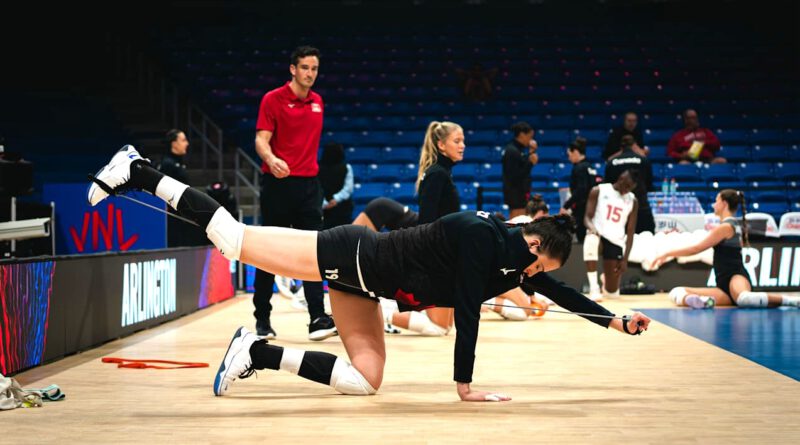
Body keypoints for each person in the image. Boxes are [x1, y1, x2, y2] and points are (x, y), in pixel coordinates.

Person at [87, 145, 651, 401]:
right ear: (533, 242)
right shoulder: (486, 238)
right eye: (538, 260)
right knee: (233, 240)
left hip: (365, 282)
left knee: (366, 381)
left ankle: (255, 353)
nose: (535, 271)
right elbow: (467, 314)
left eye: (539, 267)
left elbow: (556, 290)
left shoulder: (513, 256)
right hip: (350, 253)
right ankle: (138, 170)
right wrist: (465, 386)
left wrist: (614, 321)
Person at [252, 45, 335, 341]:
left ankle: (317, 318)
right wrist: (271, 159)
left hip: (309, 187)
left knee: (312, 253)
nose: (310, 74)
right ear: (292, 69)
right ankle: (262, 318)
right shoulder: (272, 100)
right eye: (305, 68)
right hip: (278, 185)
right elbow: (262, 139)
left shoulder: (318, 102)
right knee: (269, 253)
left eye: (314, 69)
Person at [653, 190, 800, 309]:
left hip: (736, 277)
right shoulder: (735, 225)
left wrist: (667, 253)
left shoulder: (725, 227)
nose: (713, 204)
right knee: (677, 291)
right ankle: (703, 301)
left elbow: (696, 249)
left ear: (724, 203)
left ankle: (791, 300)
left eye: (716, 200)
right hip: (722, 284)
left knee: (744, 299)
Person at [583, 170, 639, 301]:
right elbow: (587, 217)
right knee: (591, 239)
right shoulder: (599, 190)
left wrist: (625, 259)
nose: (627, 190)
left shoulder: (633, 200)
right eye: (626, 186)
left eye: (630, 188)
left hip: (616, 241)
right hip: (599, 236)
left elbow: (630, 232)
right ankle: (594, 288)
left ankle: (605, 280)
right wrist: (592, 228)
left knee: (612, 294)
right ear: (621, 179)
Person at [157, 129, 205, 247]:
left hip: (181, 214)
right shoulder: (167, 164)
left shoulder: (178, 163)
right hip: (172, 217)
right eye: (183, 140)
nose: (187, 143)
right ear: (174, 144)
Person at [604, 135, 655, 234]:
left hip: (618, 209)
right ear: (634, 145)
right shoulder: (643, 160)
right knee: (646, 238)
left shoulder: (612, 162)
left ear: (621, 147)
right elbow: (649, 184)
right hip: (641, 206)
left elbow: (608, 186)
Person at [560, 137, 598, 243]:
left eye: (569, 154)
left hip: (582, 209)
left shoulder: (579, 168)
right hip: (593, 207)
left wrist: (566, 205)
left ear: (575, 152)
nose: (569, 158)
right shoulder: (590, 167)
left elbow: (581, 189)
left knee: (582, 237)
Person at [502, 122, 538, 219]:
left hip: (520, 192)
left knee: (522, 221)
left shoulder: (518, 150)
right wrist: (530, 163)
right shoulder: (512, 150)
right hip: (516, 194)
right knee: (517, 221)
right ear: (522, 135)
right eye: (530, 137)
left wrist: (531, 153)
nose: (531, 140)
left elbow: (522, 165)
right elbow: (515, 175)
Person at [319, 142, 354, 229]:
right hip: (326, 209)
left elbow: (348, 189)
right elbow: (348, 189)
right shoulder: (347, 167)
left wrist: (325, 202)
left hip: (336, 209)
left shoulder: (316, 167)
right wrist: (335, 200)